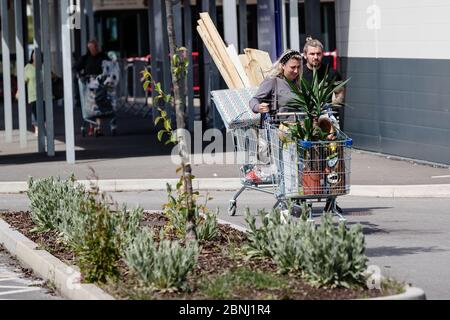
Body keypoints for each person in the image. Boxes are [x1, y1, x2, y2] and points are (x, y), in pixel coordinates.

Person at [302, 37, 346, 214]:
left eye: (318, 54)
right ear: (305, 55)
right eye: (312, 54)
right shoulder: (300, 74)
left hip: (328, 124)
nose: (315, 57)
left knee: (333, 162)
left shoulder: (331, 73)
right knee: (308, 162)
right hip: (306, 123)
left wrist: (334, 108)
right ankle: (305, 200)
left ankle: (331, 201)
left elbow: (340, 92)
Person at [250, 49, 303, 116]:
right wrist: (258, 107)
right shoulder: (273, 81)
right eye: (293, 67)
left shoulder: (300, 84)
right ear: (283, 65)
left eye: (298, 67)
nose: (296, 71)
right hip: (281, 125)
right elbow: (254, 100)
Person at [74, 39, 109, 135]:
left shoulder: (103, 57)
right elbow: (76, 67)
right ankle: (91, 126)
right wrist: (80, 75)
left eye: (95, 47)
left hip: (100, 84)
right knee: (89, 107)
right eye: (91, 48)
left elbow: (109, 67)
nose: (94, 49)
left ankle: (98, 127)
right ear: (89, 48)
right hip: (88, 86)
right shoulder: (85, 58)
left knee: (98, 105)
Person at [16, 50, 38, 136]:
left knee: (43, 110)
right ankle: (36, 128)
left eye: (37, 55)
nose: (35, 56)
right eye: (34, 55)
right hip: (33, 94)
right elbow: (22, 81)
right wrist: (18, 91)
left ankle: (43, 126)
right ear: (32, 56)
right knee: (35, 111)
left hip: (44, 94)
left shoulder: (43, 66)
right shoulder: (28, 67)